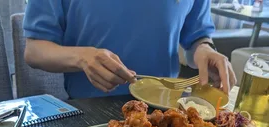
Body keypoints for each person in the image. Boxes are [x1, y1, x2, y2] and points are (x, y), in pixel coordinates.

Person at [23, 0, 236, 99]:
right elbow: (34, 50)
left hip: (167, 111)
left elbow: (197, 37)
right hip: (88, 110)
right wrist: (81, 57)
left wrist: (205, 50)